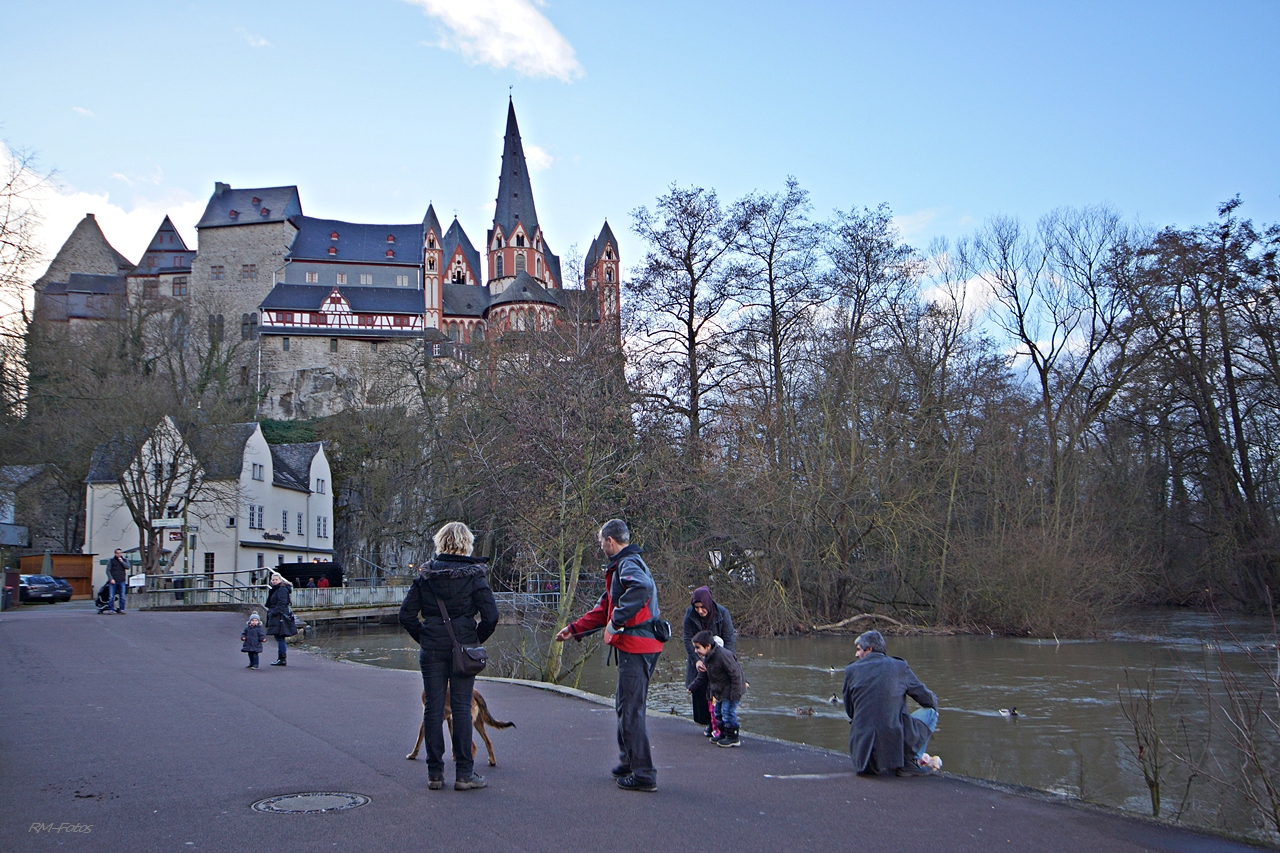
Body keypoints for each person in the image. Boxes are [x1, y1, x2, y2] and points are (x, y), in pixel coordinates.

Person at [555, 519, 664, 792]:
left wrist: (616, 622)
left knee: (630, 710)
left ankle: (643, 774)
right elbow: (605, 607)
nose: (600, 546)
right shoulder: (624, 565)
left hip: (637, 647)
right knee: (624, 706)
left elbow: (641, 590)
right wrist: (574, 630)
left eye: (601, 541)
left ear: (610, 541)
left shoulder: (627, 566)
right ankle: (628, 762)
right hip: (639, 646)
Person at [399, 521, 499, 792]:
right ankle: (465, 774)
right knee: (462, 708)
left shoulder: (425, 575)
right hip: (463, 648)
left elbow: (406, 615)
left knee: (432, 708)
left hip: (432, 648)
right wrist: (474, 639)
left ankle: (435, 774)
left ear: (440, 543)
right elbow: (491, 616)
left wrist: (425, 637)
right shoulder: (474, 576)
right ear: (466, 544)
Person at [842, 630, 940, 776]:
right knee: (931, 712)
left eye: (858, 650)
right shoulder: (899, 667)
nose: (856, 655)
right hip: (892, 751)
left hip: (863, 759)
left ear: (869, 649)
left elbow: (850, 712)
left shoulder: (851, 670)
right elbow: (926, 699)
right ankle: (910, 762)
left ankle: (895, 759)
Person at [683, 586, 735, 735]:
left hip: (718, 658)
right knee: (701, 691)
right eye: (696, 607)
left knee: (717, 691)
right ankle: (708, 723)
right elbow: (687, 638)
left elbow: (729, 639)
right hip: (698, 656)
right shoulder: (690, 614)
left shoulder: (722, 614)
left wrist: (727, 661)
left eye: (702, 607)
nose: (699, 611)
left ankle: (721, 725)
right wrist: (696, 661)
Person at [686, 630, 746, 747]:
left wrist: (735, 693)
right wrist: (692, 687)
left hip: (731, 691)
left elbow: (736, 674)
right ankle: (723, 733)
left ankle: (733, 737)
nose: (695, 651)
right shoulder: (707, 657)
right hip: (720, 691)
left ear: (708, 646)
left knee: (727, 713)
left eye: (698, 648)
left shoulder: (723, 656)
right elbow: (703, 675)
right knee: (718, 713)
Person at [264, 572, 297, 666]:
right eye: (272, 580)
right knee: (279, 637)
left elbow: (282, 603)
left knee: (280, 637)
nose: (274, 581)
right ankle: (281, 658)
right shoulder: (277, 589)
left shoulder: (282, 589)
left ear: (280, 580)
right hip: (278, 615)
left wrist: (273, 612)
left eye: (276, 580)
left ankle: (282, 659)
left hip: (279, 616)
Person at [106, 549, 129, 614]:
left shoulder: (124, 560)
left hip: (122, 580)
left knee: (122, 596)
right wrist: (111, 579)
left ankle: (121, 609)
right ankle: (111, 609)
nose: (119, 554)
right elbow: (108, 570)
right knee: (111, 596)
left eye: (120, 553)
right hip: (113, 580)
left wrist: (122, 562)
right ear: (115, 554)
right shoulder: (111, 561)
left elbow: (128, 567)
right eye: (117, 553)